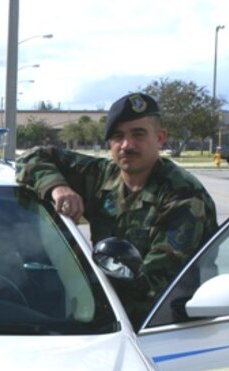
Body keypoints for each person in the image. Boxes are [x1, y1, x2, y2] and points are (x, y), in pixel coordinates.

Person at [16, 92, 217, 325]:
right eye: (118, 136)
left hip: (165, 326)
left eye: (138, 134)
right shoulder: (101, 176)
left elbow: (154, 287)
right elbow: (33, 156)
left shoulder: (183, 196)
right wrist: (58, 187)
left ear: (160, 138)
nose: (126, 145)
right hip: (110, 314)